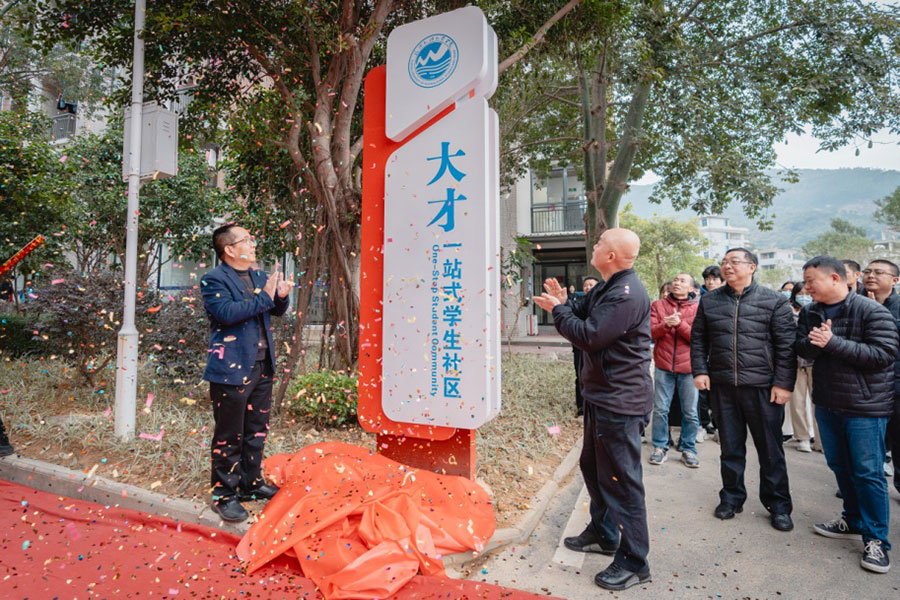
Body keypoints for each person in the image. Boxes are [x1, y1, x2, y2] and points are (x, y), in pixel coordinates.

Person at [534, 228, 652, 591]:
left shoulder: (626, 294)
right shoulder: (607, 286)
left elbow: (588, 335)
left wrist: (558, 311)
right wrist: (564, 302)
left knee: (621, 480)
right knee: (594, 467)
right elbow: (581, 310)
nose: (595, 246)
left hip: (621, 400)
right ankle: (603, 533)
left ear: (613, 255)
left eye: (601, 243)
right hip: (602, 396)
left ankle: (635, 562)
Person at [796, 256, 898, 574]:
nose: (806, 287)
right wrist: (816, 344)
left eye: (811, 280)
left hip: (865, 407)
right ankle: (852, 520)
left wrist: (833, 342)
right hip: (828, 402)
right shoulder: (812, 312)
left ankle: (876, 540)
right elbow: (802, 347)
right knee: (838, 465)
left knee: (868, 473)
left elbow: (884, 355)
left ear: (837, 279)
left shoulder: (872, 311)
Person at [690, 248, 797, 532]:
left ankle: (778, 505)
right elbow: (698, 339)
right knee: (730, 448)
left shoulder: (774, 301)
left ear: (752, 267)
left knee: (770, 450)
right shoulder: (709, 301)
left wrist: (784, 384)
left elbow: (787, 347)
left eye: (734, 262)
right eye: (725, 262)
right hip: (723, 386)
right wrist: (700, 370)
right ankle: (731, 497)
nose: (727, 266)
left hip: (763, 388)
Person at [201, 223, 292, 522]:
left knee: (256, 430)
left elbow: (272, 311)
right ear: (229, 249)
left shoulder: (259, 275)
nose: (253, 244)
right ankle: (223, 495)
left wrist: (280, 297)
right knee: (229, 435)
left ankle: (250, 485)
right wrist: (266, 297)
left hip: (262, 365)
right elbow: (227, 314)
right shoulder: (213, 280)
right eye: (246, 240)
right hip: (231, 368)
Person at [649, 272, 700, 468]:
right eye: (675, 280)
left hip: (688, 367)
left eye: (682, 281)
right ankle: (660, 447)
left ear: (692, 289)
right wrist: (665, 325)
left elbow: (697, 338)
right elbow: (651, 332)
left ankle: (688, 448)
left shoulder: (697, 309)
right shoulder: (658, 305)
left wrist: (679, 325)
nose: (677, 283)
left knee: (690, 411)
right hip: (663, 365)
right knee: (661, 409)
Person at [862, 259, 900, 498]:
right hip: (867, 388)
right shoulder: (854, 305)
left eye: (878, 272)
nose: (871, 276)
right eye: (867, 271)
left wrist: (878, 315)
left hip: (896, 385)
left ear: (894, 280)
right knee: (868, 447)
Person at [787, 282, 816, 453]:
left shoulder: (817, 310)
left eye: (807, 292)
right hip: (795, 362)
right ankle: (803, 437)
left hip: (815, 362)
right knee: (797, 402)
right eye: (800, 292)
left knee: (818, 402)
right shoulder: (786, 311)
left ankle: (820, 440)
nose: (804, 295)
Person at [571, 276, 600, 417]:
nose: (588, 287)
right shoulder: (578, 303)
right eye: (585, 285)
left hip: (596, 346)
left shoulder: (603, 303)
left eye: (591, 285)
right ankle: (581, 407)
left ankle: (595, 405)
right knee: (580, 375)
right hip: (579, 346)